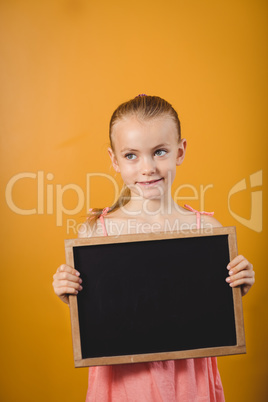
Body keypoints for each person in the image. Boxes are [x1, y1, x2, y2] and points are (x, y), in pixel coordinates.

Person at [53, 95, 255, 401]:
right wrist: (69, 291)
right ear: (114, 160)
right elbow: (98, 309)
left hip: (188, 380)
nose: (147, 167)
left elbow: (212, 305)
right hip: (124, 383)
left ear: (180, 151)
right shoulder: (96, 232)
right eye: (131, 155)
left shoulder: (207, 232)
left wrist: (238, 284)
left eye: (159, 152)